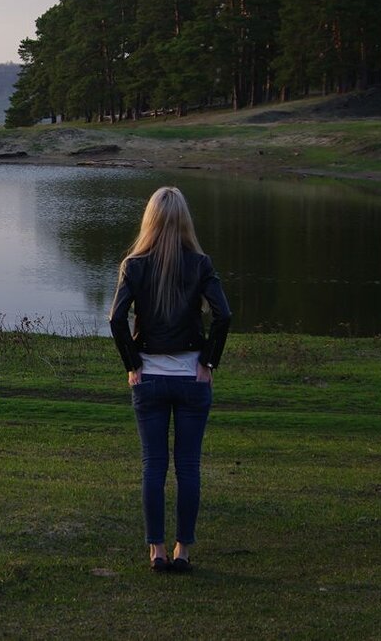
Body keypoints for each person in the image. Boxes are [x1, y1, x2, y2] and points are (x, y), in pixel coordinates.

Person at [109, 186, 232, 574]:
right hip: (191, 379)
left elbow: (115, 319)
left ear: (150, 219)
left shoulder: (134, 264)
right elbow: (224, 315)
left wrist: (133, 364)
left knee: (153, 466)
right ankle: (183, 550)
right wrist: (208, 363)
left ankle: (157, 551)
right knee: (188, 467)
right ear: (184, 220)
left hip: (149, 379)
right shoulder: (200, 263)